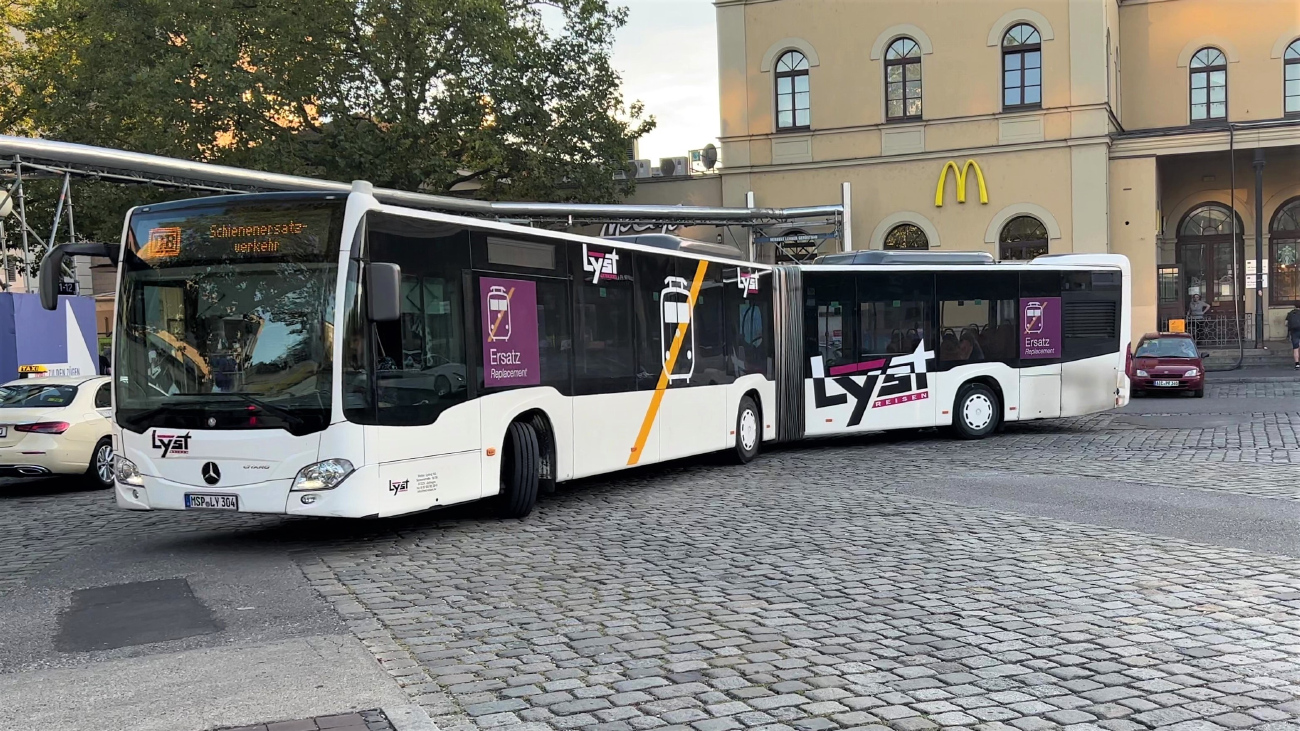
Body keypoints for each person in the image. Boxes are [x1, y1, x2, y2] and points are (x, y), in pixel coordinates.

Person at [1287, 304, 1300, 370]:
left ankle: (1297, 364)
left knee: (1295, 348)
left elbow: (1286, 323)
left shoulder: (1290, 313)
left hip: (1294, 332)